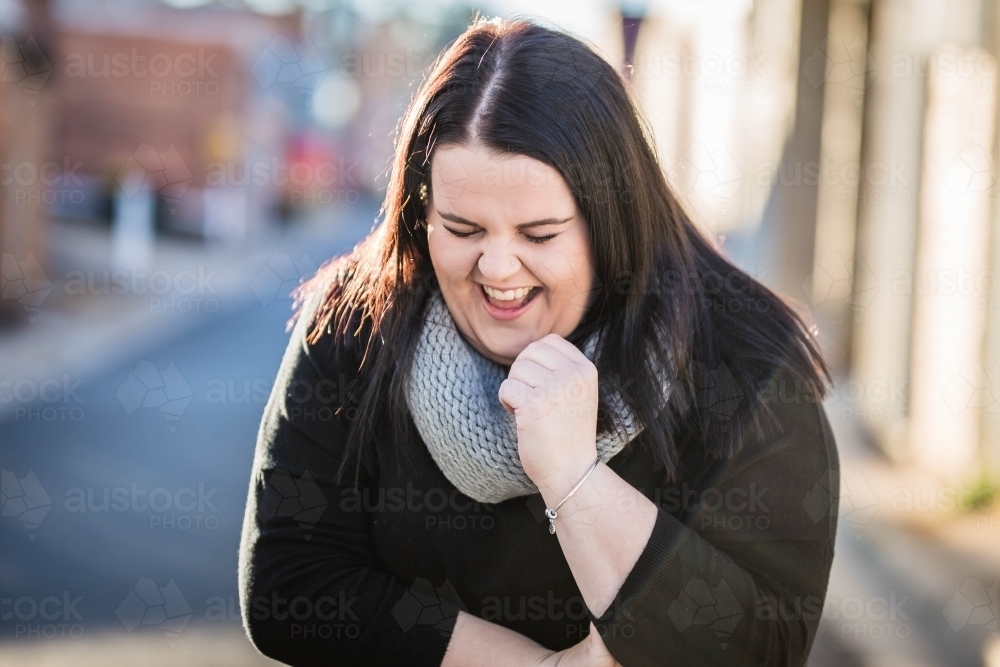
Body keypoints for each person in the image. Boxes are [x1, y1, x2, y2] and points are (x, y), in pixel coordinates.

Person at [238, 15, 838, 667]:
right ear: (421, 211)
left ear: (612, 222)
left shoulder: (744, 362)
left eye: (540, 234)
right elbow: (290, 583)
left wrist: (574, 478)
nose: (497, 268)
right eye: (462, 228)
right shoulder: (359, 322)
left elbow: (763, 645)